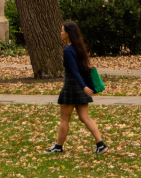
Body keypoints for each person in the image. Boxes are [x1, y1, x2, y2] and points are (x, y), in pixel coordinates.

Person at [44, 21, 108, 155]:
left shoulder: (67, 50)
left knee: (64, 119)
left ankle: (58, 147)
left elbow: (74, 70)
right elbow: (82, 68)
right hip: (81, 86)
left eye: (62, 31)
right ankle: (100, 144)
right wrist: (84, 86)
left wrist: (84, 87)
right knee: (85, 117)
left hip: (72, 86)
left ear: (68, 34)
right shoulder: (79, 48)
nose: (60, 33)